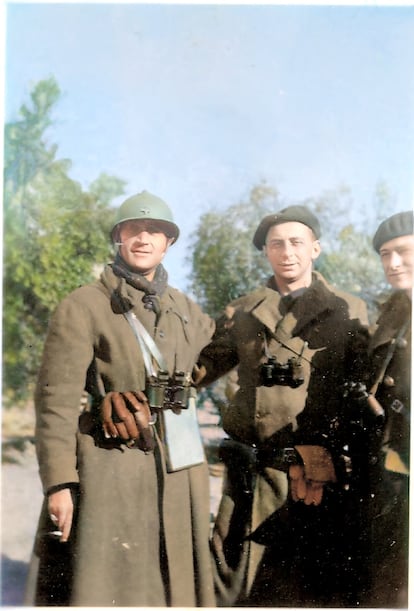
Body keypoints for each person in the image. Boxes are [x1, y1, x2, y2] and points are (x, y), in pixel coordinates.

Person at [24, 191, 216, 607]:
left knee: (175, 585)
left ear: (169, 243)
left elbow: (213, 359)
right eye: (134, 230)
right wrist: (59, 483)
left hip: (178, 466)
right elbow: (55, 400)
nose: (144, 239)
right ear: (118, 238)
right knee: (112, 585)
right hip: (111, 464)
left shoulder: (187, 309)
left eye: (155, 231)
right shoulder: (84, 305)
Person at [197, 205, 371, 607]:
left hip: (312, 473)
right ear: (266, 252)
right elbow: (202, 365)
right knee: (229, 579)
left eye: (296, 242)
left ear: (316, 248)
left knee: (300, 585)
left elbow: (363, 392)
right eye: (276, 244)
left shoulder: (348, 310)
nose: (286, 252)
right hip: (248, 473)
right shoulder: (242, 311)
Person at [363, 210, 413, 608]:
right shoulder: (394, 311)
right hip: (394, 458)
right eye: (385, 254)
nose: (393, 263)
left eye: (403, 252)